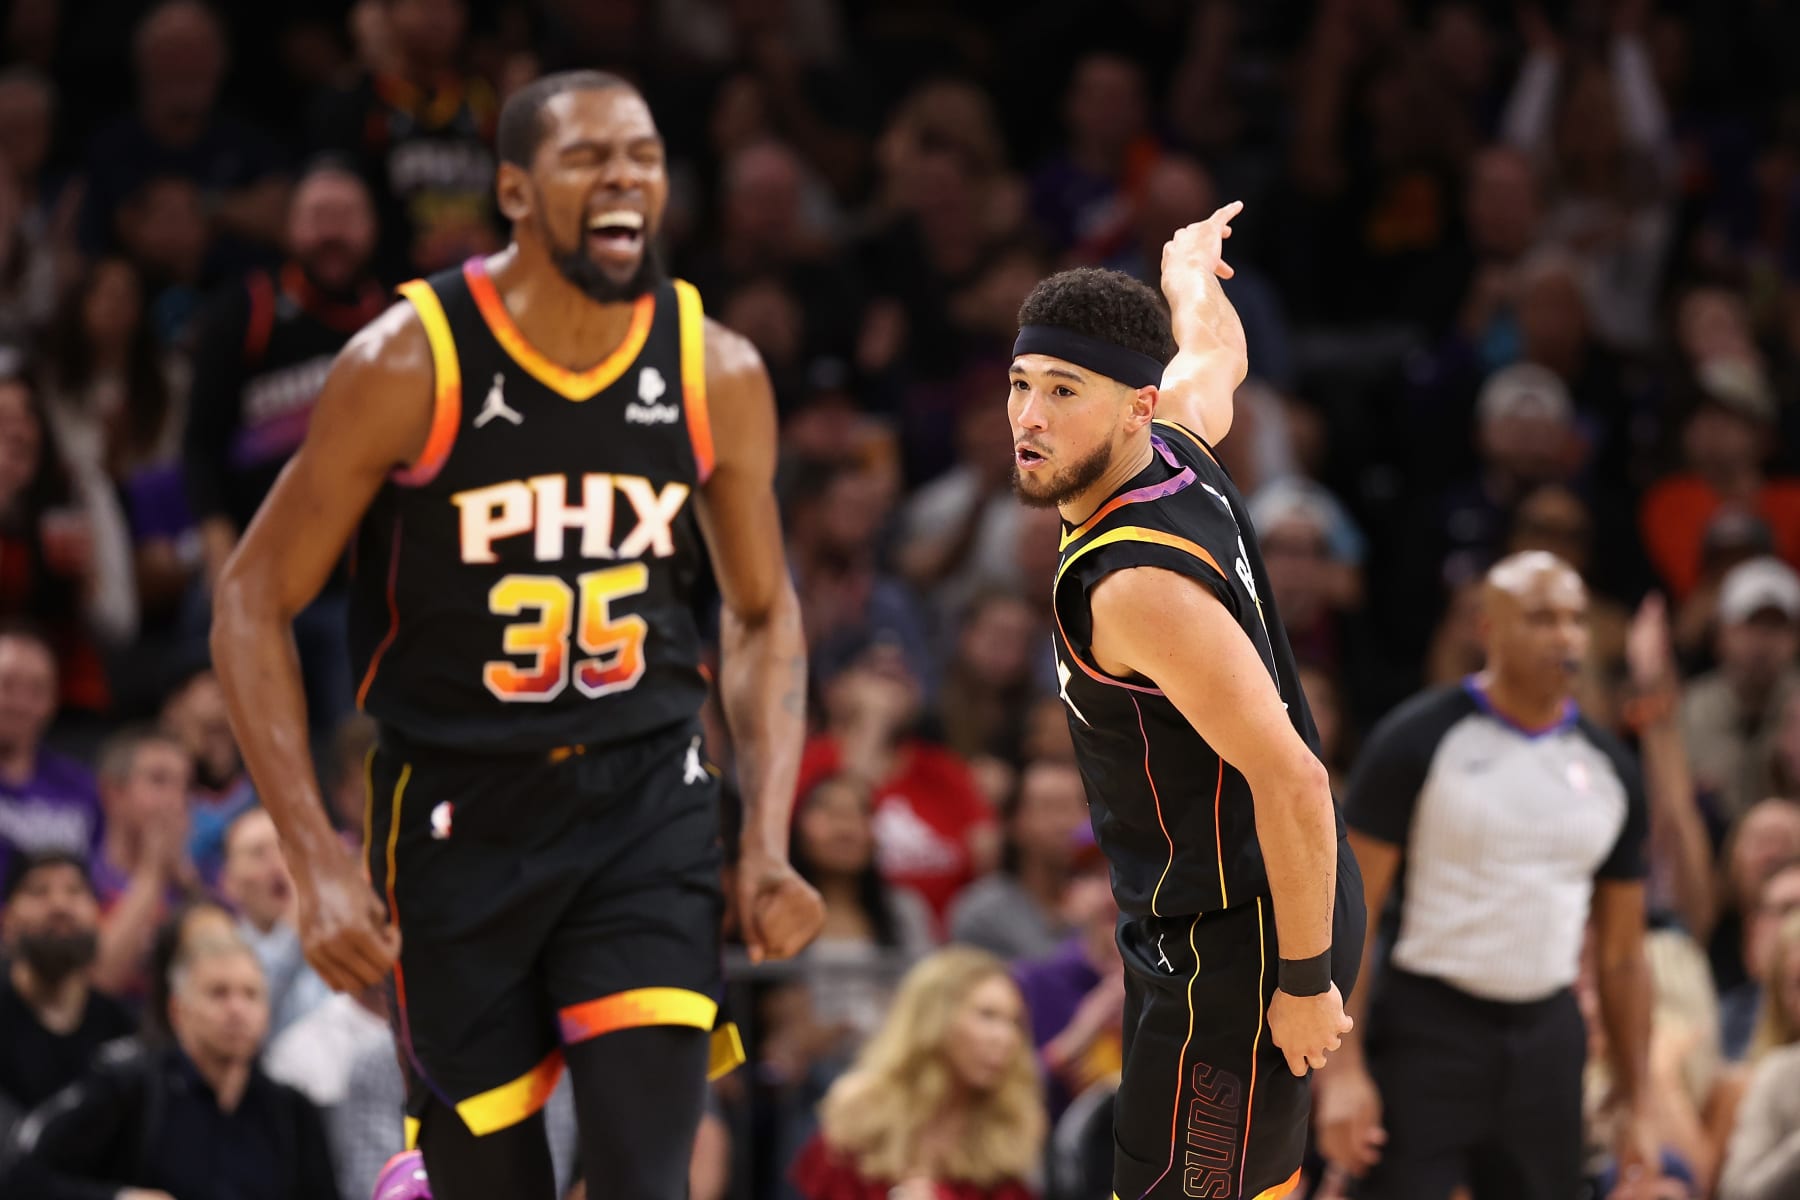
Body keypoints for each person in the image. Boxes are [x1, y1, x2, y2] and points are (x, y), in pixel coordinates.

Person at [209, 70, 823, 1200]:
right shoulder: (409, 361)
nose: (625, 176)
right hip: (455, 813)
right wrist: (313, 860)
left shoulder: (714, 370)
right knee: (493, 1180)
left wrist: (769, 835)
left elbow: (760, 605)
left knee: (649, 1175)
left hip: (649, 800)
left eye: (642, 154)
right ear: (514, 192)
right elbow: (250, 598)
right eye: (588, 157)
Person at [1007, 204, 1365, 1200]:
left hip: (1242, 940)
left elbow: (1290, 770)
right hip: (1256, 902)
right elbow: (1214, 353)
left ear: (1131, 406)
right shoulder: (1175, 442)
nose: (1030, 418)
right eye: (1021, 386)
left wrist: (1300, 984)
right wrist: (1189, 276)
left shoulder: (1135, 586)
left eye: (1063, 392)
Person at [1316, 551, 1658, 1200]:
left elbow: (1621, 955)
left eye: (1575, 620)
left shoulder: (1612, 768)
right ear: (1487, 627)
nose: (1565, 636)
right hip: (1426, 1026)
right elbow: (1348, 912)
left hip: (1549, 1036)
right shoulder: (1417, 741)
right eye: (1540, 618)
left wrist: (1639, 1100)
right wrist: (1343, 1071)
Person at [0, 930, 341, 1200]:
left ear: (267, 1013)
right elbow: (24, 1179)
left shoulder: (292, 1111)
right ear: (178, 1010)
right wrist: (120, 1197)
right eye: (218, 993)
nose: (237, 1010)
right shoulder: (129, 1088)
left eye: (251, 995)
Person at [790, 946, 1044, 1200]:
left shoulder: (1009, 1124)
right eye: (987, 1015)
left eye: (1014, 1022)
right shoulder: (859, 1114)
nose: (1006, 1038)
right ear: (933, 1018)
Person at [0, 850, 133, 1134]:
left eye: (75, 891)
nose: (59, 905)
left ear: (98, 916)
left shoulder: (122, 1032)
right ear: (7, 920)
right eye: (39, 892)